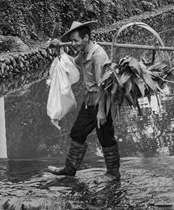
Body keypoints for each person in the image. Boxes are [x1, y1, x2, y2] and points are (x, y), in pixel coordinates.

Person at [47, 20, 120, 181]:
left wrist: (101, 111)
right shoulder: (84, 52)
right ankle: (69, 169)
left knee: (105, 137)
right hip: (89, 102)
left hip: (102, 102)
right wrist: (59, 49)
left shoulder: (98, 55)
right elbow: (73, 63)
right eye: (72, 41)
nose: (73, 44)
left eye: (76, 41)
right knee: (77, 133)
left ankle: (113, 174)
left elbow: (104, 85)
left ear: (86, 37)